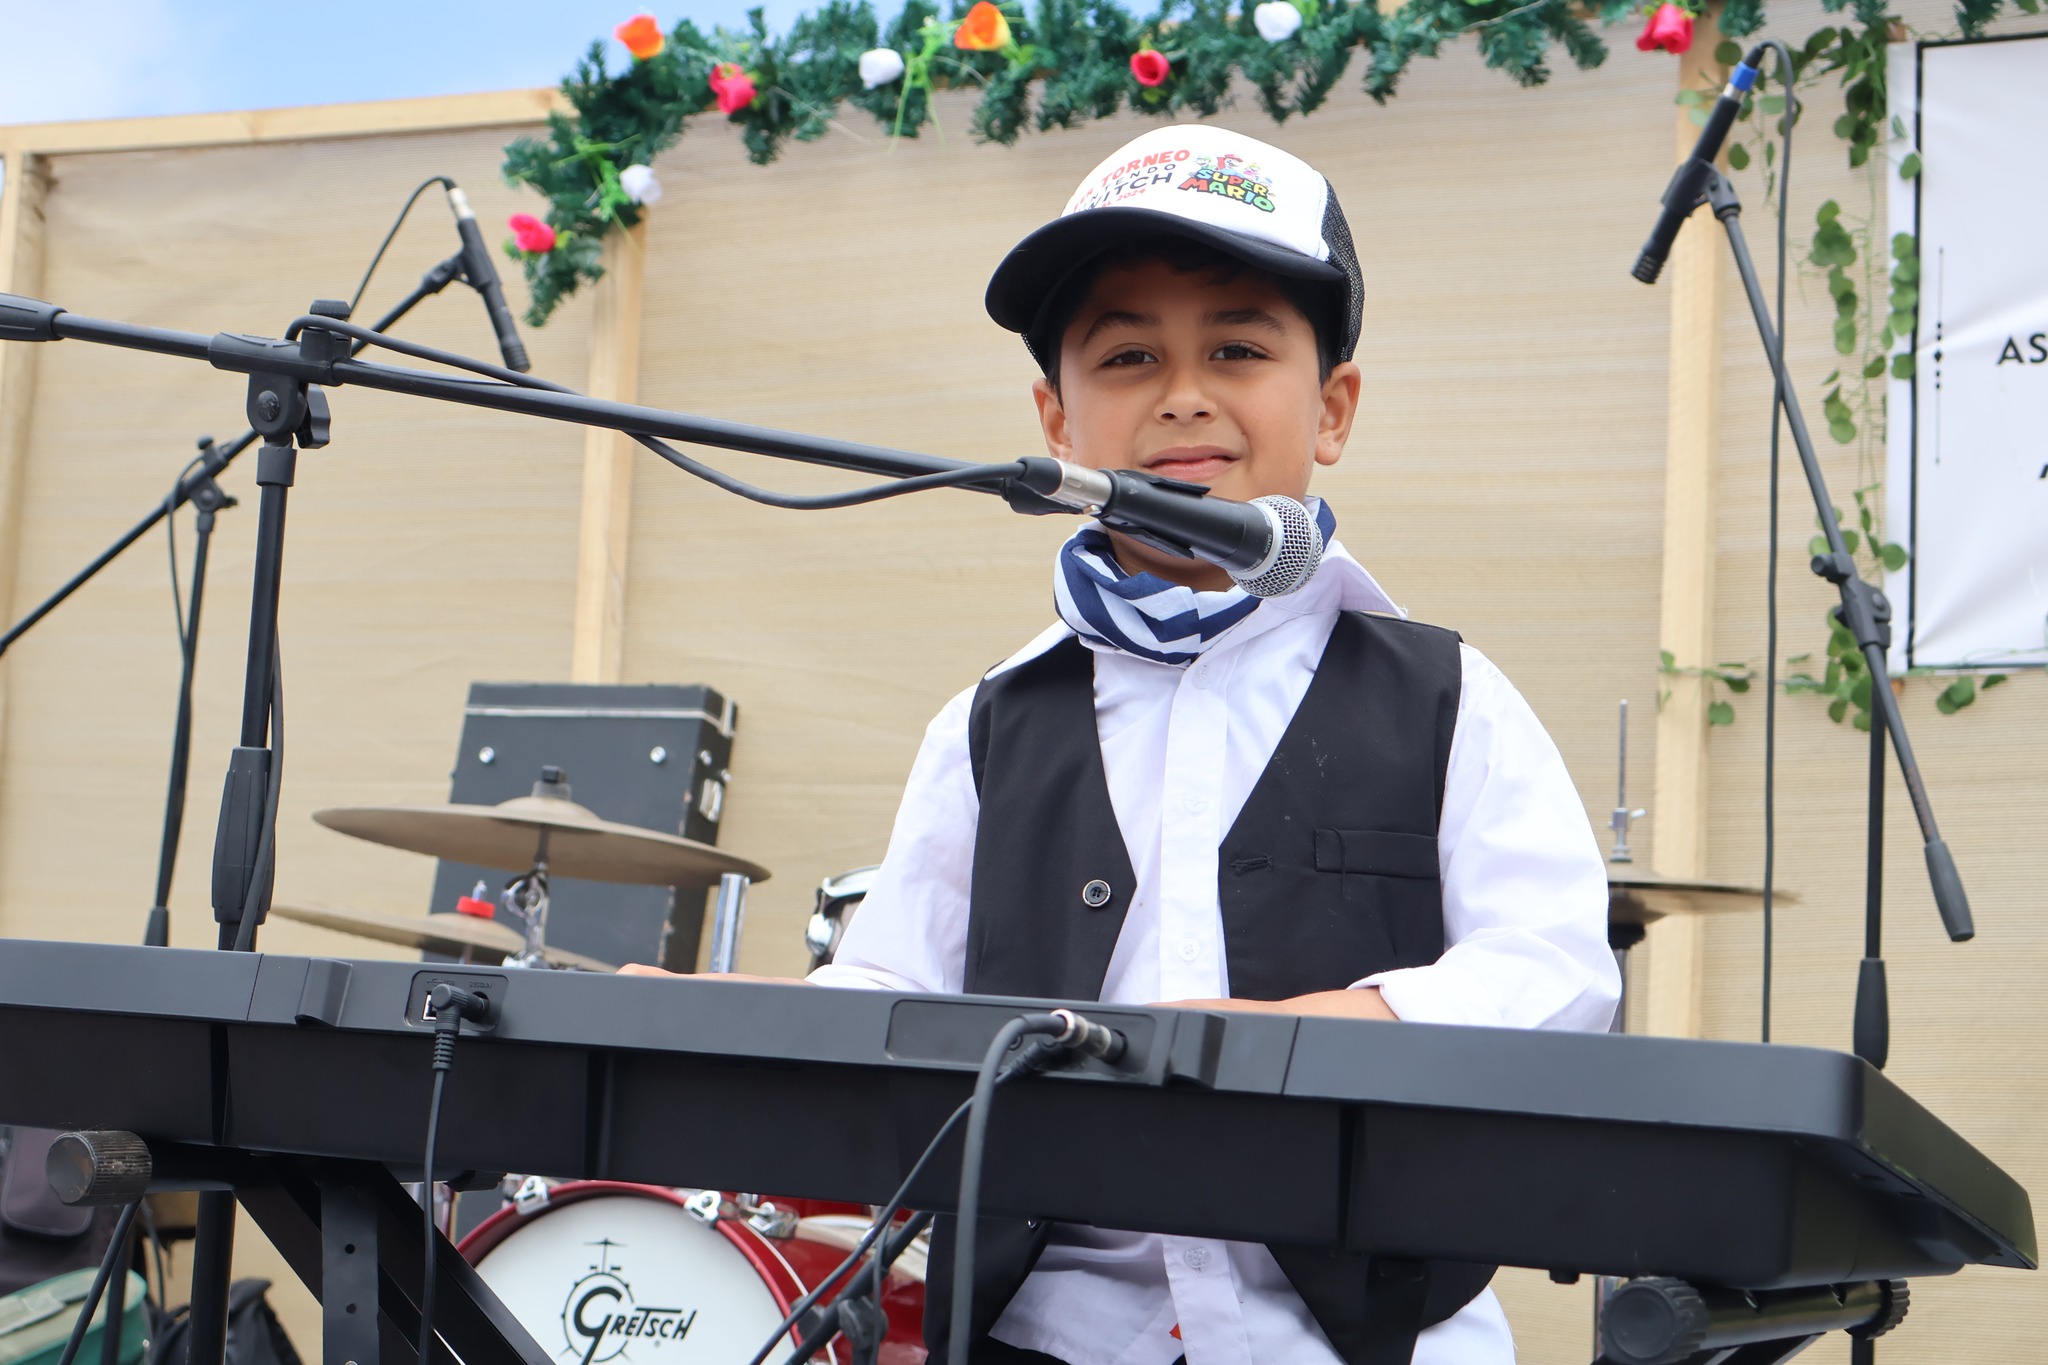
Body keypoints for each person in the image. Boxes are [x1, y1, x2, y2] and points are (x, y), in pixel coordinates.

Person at [634, 124, 1618, 1365]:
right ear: (1055, 418)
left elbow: (1555, 972)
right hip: (1047, 1338)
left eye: (1238, 348)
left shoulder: (1446, 694)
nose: (1182, 392)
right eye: (1128, 354)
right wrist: (714, 1022)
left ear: (1333, 407)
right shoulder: (988, 723)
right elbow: (889, 1001)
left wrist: (1313, 1031)